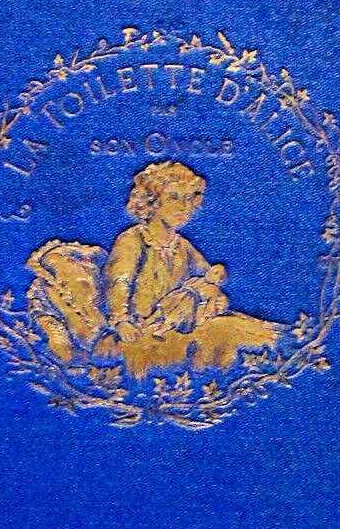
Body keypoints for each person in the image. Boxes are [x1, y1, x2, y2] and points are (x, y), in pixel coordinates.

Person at [94, 161, 282, 378]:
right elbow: (118, 281)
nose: (184, 206)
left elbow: (206, 274)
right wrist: (122, 321)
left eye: (189, 199)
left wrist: (216, 279)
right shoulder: (133, 240)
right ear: (150, 201)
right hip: (142, 326)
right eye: (173, 197)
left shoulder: (182, 245)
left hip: (182, 319)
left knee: (225, 314)